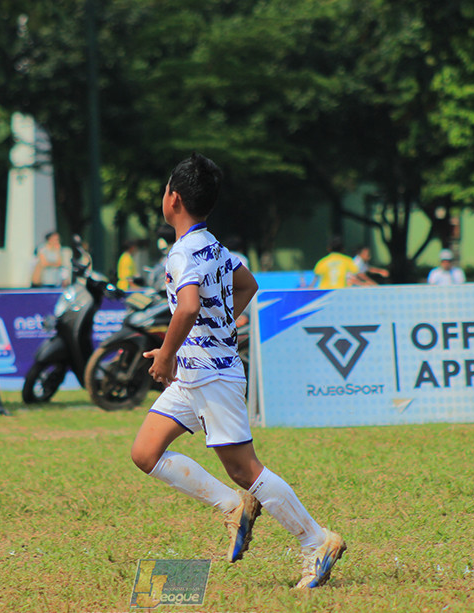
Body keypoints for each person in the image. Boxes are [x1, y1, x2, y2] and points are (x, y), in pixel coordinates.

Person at [131, 153, 346, 589]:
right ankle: (233, 506)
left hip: (211, 374)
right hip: (197, 371)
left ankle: (317, 540)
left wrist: (168, 353)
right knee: (146, 453)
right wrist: (204, 336)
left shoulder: (181, 252)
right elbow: (247, 285)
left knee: (246, 469)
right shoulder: (212, 244)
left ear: (172, 198)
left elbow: (189, 305)